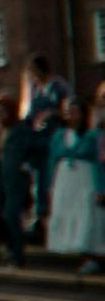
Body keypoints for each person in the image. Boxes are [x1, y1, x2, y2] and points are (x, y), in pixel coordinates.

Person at [44, 98, 105, 274]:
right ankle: (70, 247)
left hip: (85, 177)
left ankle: (91, 255)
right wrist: (49, 185)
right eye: (68, 112)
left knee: (86, 213)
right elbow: (52, 161)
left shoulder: (92, 136)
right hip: (64, 178)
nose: (71, 116)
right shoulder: (59, 135)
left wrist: (101, 188)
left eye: (75, 112)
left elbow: (98, 163)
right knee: (66, 211)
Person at [0, 95, 43, 269]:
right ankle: (9, 243)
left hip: (16, 180)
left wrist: (28, 164)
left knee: (12, 216)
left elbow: (37, 150)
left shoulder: (22, 129)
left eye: (2, 112)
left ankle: (17, 256)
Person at [20, 54, 71, 237]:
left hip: (54, 140)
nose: (32, 76)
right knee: (38, 180)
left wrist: (52, 113)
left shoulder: (59, 87)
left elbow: (69, 111)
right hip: (37, 142)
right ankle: (40, 218)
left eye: (34, 71)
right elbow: (28, 114)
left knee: (52, 180)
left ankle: (54, 218)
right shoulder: (34, 89)